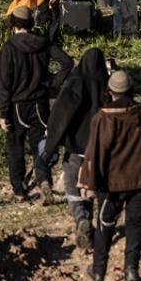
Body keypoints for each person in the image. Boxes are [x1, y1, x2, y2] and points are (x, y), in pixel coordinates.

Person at [79, 70, 141, 281]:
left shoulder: (103, 118)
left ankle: (99, 271)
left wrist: (89, 181)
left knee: (106, 225)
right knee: (135, 224)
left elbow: (95, 152)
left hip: (113, 184)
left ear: (110, 93)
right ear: (132, 91)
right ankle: (131, 269)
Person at [0, 4, 73, 202]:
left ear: (14, 23)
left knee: (15, 146)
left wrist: (3, 113)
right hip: (40, 101)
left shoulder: (9, 47)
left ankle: (19, 189)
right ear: (31, 22)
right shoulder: (43, 43)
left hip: (17, 105)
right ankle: (43, 179)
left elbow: (4, 83)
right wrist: (53, 82)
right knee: (40, 143)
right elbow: (67, 62)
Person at [41, 47, 109, 251]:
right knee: (96, 188)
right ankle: (100, 224)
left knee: (73, 188)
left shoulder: (75, 84)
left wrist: (51, 145)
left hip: (76, 150)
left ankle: (81, 217)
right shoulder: (107, 87)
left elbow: (61, 115)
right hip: (99, 151)